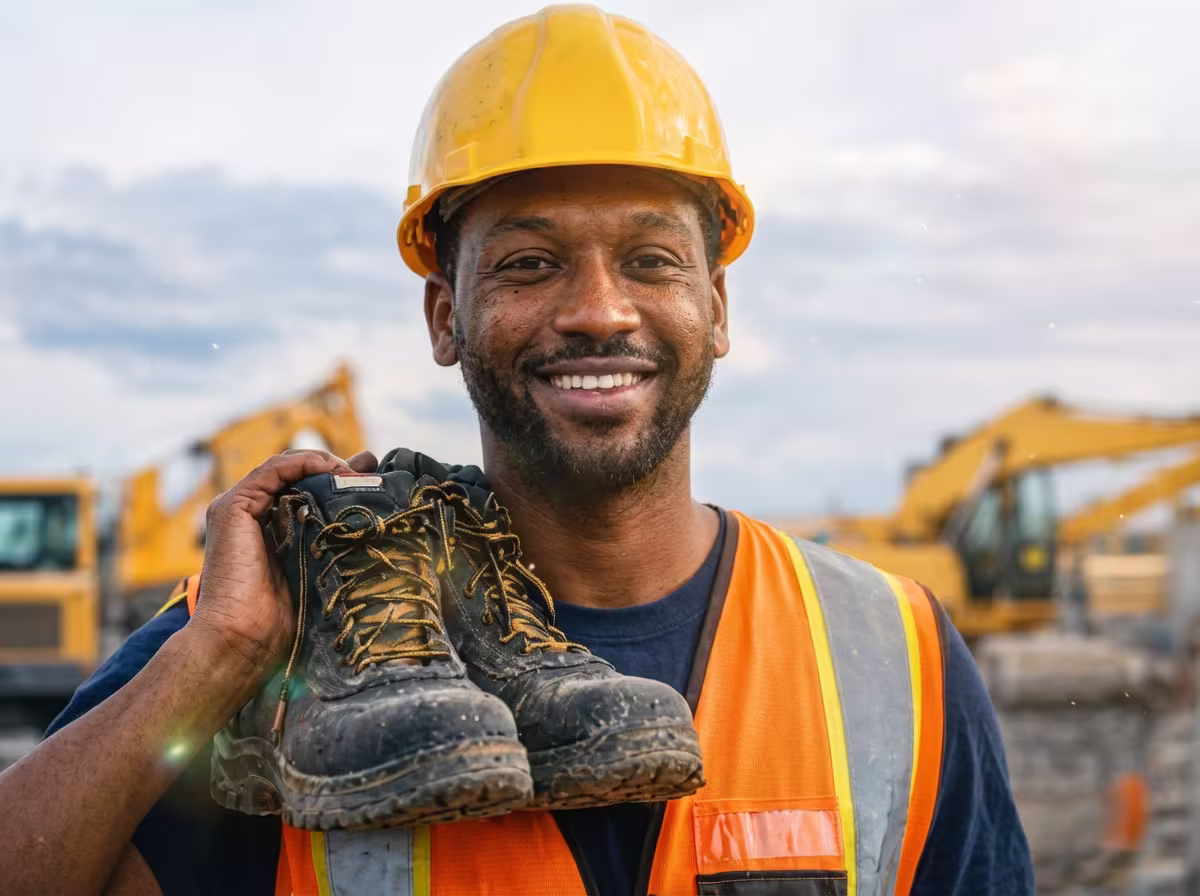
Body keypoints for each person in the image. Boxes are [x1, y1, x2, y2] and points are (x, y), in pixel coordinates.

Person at [0, 6, 1034, 895]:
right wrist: (213, 658)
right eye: (533, 263)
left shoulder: (890, 653)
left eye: (651, 259)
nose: (596, 310)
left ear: (715, 308)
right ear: (446, 315)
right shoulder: (280, 634)